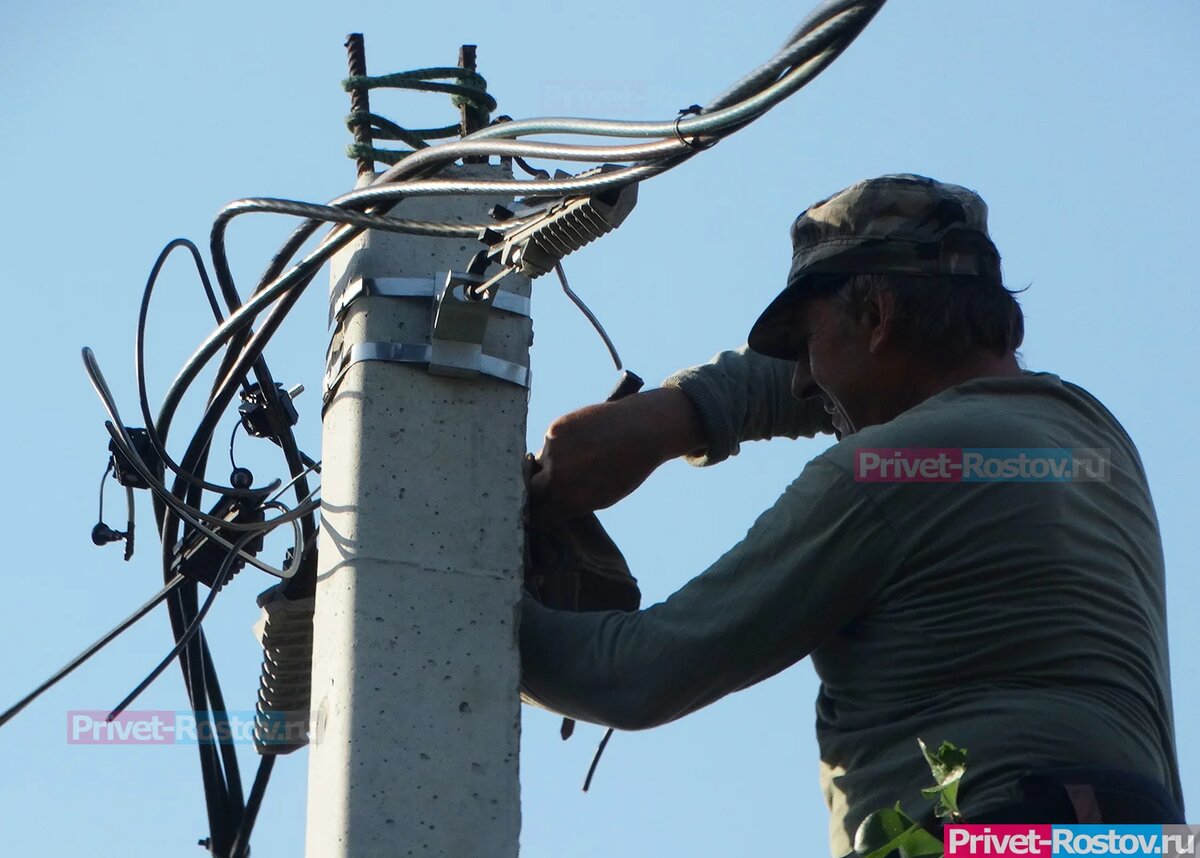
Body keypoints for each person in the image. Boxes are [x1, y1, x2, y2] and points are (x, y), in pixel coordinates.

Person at [519, 174, 1184, 856]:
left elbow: (634, 676)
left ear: (876, 319)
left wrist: (460, 584)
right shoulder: (1089, 442)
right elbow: (873, 378)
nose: (803, 379)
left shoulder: (885, 474)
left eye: (806, 343)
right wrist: (673, 417)